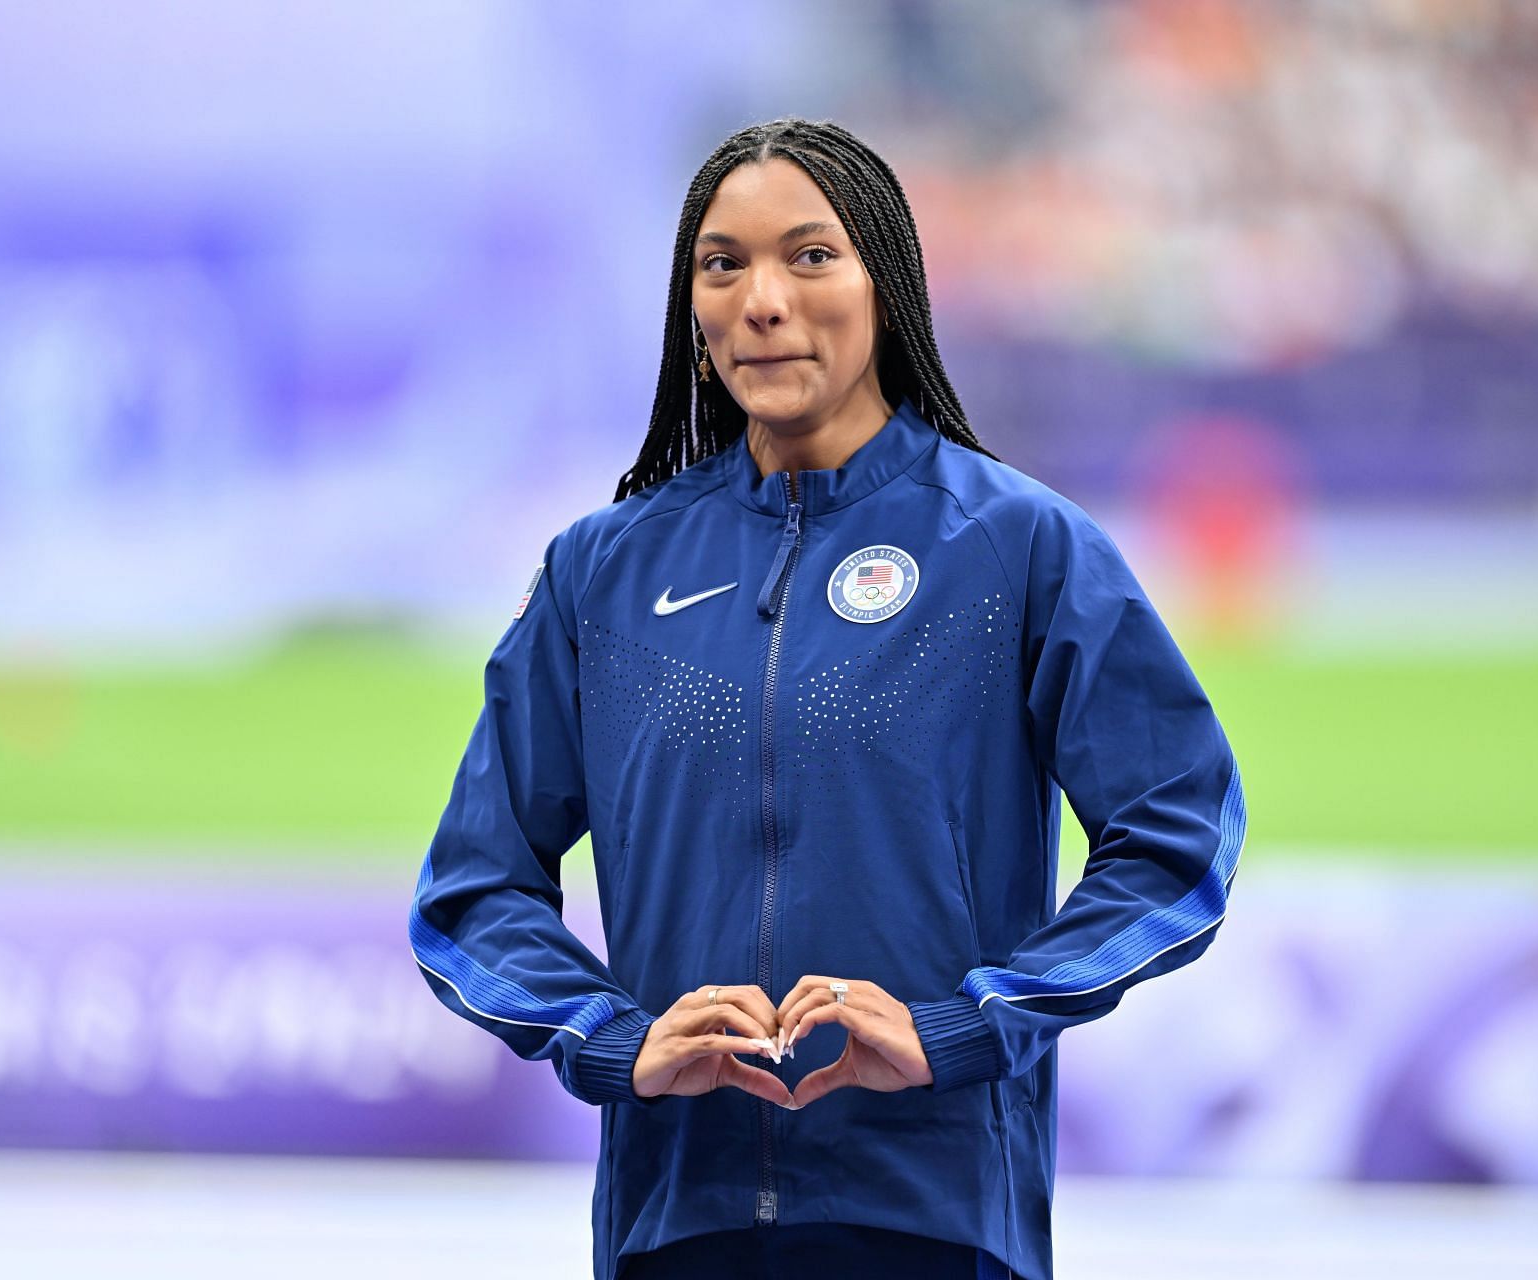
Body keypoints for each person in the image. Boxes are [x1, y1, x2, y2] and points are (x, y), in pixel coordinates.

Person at [408, 117, 1245, 1280]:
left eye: (810, 255)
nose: (763, 298)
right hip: (675, 1227)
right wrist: (614, 1036)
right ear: (691, 315)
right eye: (723, 263)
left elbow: (1179, 839)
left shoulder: (1018, 547)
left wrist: (970, 1021)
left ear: (887, 289)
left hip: (938, 1223)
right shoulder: (600, 572)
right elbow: (471, 889)